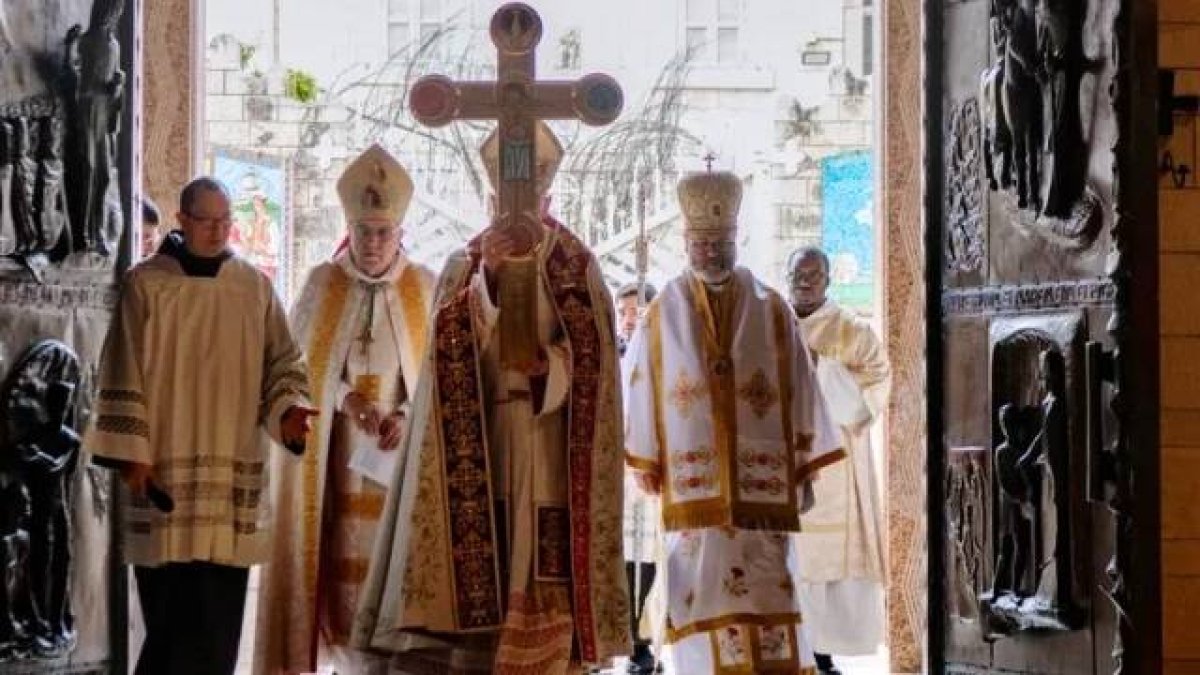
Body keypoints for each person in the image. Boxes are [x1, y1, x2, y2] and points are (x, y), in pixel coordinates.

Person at [352, 121, 630, 673]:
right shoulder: (465, 262)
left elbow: (597, 364)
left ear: (549, 197)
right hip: (480, 438)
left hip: (549, 439)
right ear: (490, 199)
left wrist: (546, 366)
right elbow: (441, 357)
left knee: (538, 560)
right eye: (504, 200)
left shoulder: (576, 265)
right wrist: (492, 281)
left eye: (529, 198)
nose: (515, 210)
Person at [86, 177, 314, 675]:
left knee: (217, 631)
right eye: (207, 220)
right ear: (182, 220)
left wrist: (290, 411)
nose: (218, 231)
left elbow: (284, 365)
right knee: (170, 629)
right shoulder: (146, 285)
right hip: (164, 478)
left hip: (229, 483)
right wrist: (132, 454)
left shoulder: (253, 288)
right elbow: (122, 367)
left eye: (225, 221)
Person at [624, 170, 842, 674]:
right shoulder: (662, 312)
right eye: (701, 244)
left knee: (767, 600)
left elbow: (802, 389)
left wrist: (805, 466)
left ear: (735, 239)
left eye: (720, 243)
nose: (711, 254)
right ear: (685, 243)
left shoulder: (772, 308)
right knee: (699, 601)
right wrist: (645, 459)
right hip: (692, 491)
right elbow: (639, 385)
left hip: (760, 494)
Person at [256, 145, 436, 675]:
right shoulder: (322, 284)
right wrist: (345, 399)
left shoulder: (423, 287)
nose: (374, 244)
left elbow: (434, 380)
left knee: (392, 573)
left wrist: (404, 414)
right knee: (334, 577)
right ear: (349, 230)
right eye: (365, 232)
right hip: (334, 465)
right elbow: (296, 370)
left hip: (397, 465)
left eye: (384, 232)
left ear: (400, 233)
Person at [788, 246, 891, 674]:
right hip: (780, 462)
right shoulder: (770, 322)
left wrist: (823, 370)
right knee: (786, 561)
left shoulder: (851, 330)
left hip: (835, 468)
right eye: (798, 274)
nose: (805, 282)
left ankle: (824, 653)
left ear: (828, 281)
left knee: (826, 567)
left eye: (814, 275)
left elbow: (875, 389)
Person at [615, 281, 661, 673]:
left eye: (638, 311)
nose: (630, 319)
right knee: (619, 557)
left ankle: (643, 640)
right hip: (615, 471)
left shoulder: (665, 353)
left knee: (648, 556)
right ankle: (620, 636)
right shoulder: (607, 353)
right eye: (624, 312)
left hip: (650, 473)